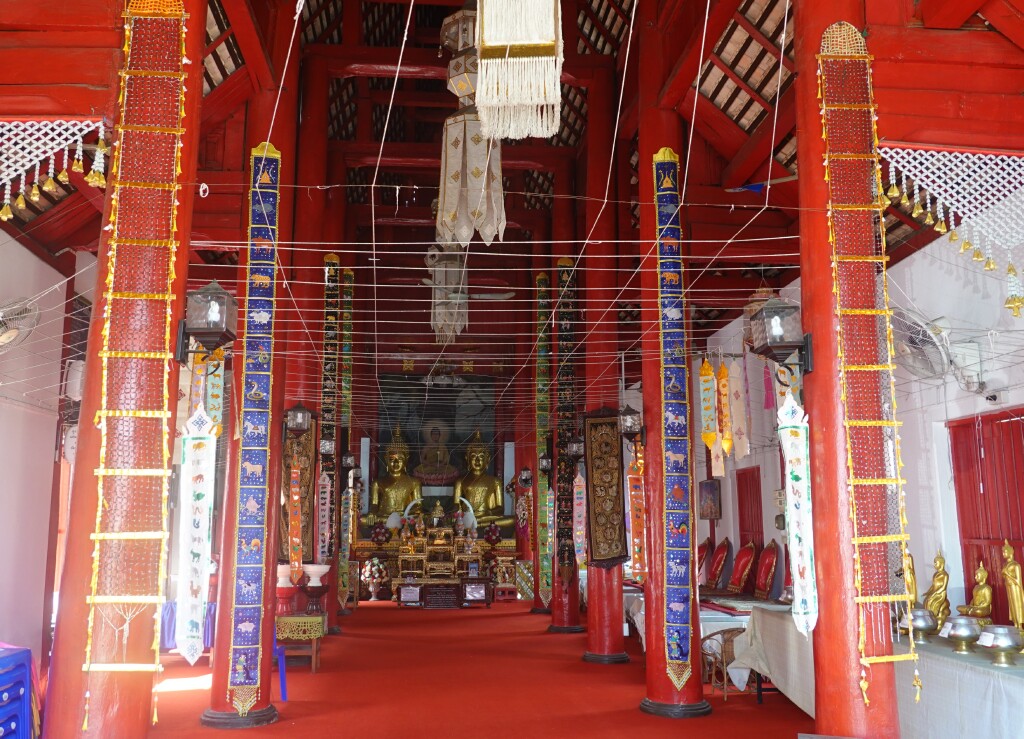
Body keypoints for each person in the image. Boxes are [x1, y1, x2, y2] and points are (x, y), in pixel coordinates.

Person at [365, 427, 422, 527]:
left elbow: (418, 504)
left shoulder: (414, 482)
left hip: (405, 518)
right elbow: (374, 504)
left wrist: (410, 513)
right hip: (383, 517)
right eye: (392, 459)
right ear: (386, 459)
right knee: (363, 520)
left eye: (400, 459)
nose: (395, 463)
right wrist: (372, 513)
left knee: (422, 517)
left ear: (406, 459)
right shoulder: (378, 482)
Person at [956, 560, 992, 626]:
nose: (975, 577)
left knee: (978, 611)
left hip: (983, 608)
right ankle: (970, 611)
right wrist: (971, 605)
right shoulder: (976, 587)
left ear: (983, 577)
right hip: (974, 607)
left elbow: (988, 601)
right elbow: (974, 598)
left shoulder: (986, 588)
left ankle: (970, 611)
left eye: (977, 576)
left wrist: (979, 606)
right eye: (975, 576)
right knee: (958, 607)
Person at [921, 550, 950, 630]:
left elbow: (943, 587)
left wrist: (935, 593)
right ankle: (929, 620)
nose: (934, 565)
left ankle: (934, 618)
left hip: (941, 594)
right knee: (926, 600)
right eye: (934, 563)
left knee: (931, 601)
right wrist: (928, 592)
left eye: (936, 563)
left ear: (941, 563)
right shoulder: (935, 574)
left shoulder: (945, 575)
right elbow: (933, 586)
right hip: (934, 592)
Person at [1001, 540, 1023, 630]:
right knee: (1012, 606)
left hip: (1015, 588)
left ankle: (1019, 626)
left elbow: (1018, 581)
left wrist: (1007, 574)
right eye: (1002, 552)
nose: (1003, 554)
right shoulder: (1005, 564)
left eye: (1005, 552)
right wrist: (1004, 574)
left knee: (1017, 606)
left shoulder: (1016, 565)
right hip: (1008, 587)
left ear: (1010, 552)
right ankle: (1015, 624)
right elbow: (1004, 576)